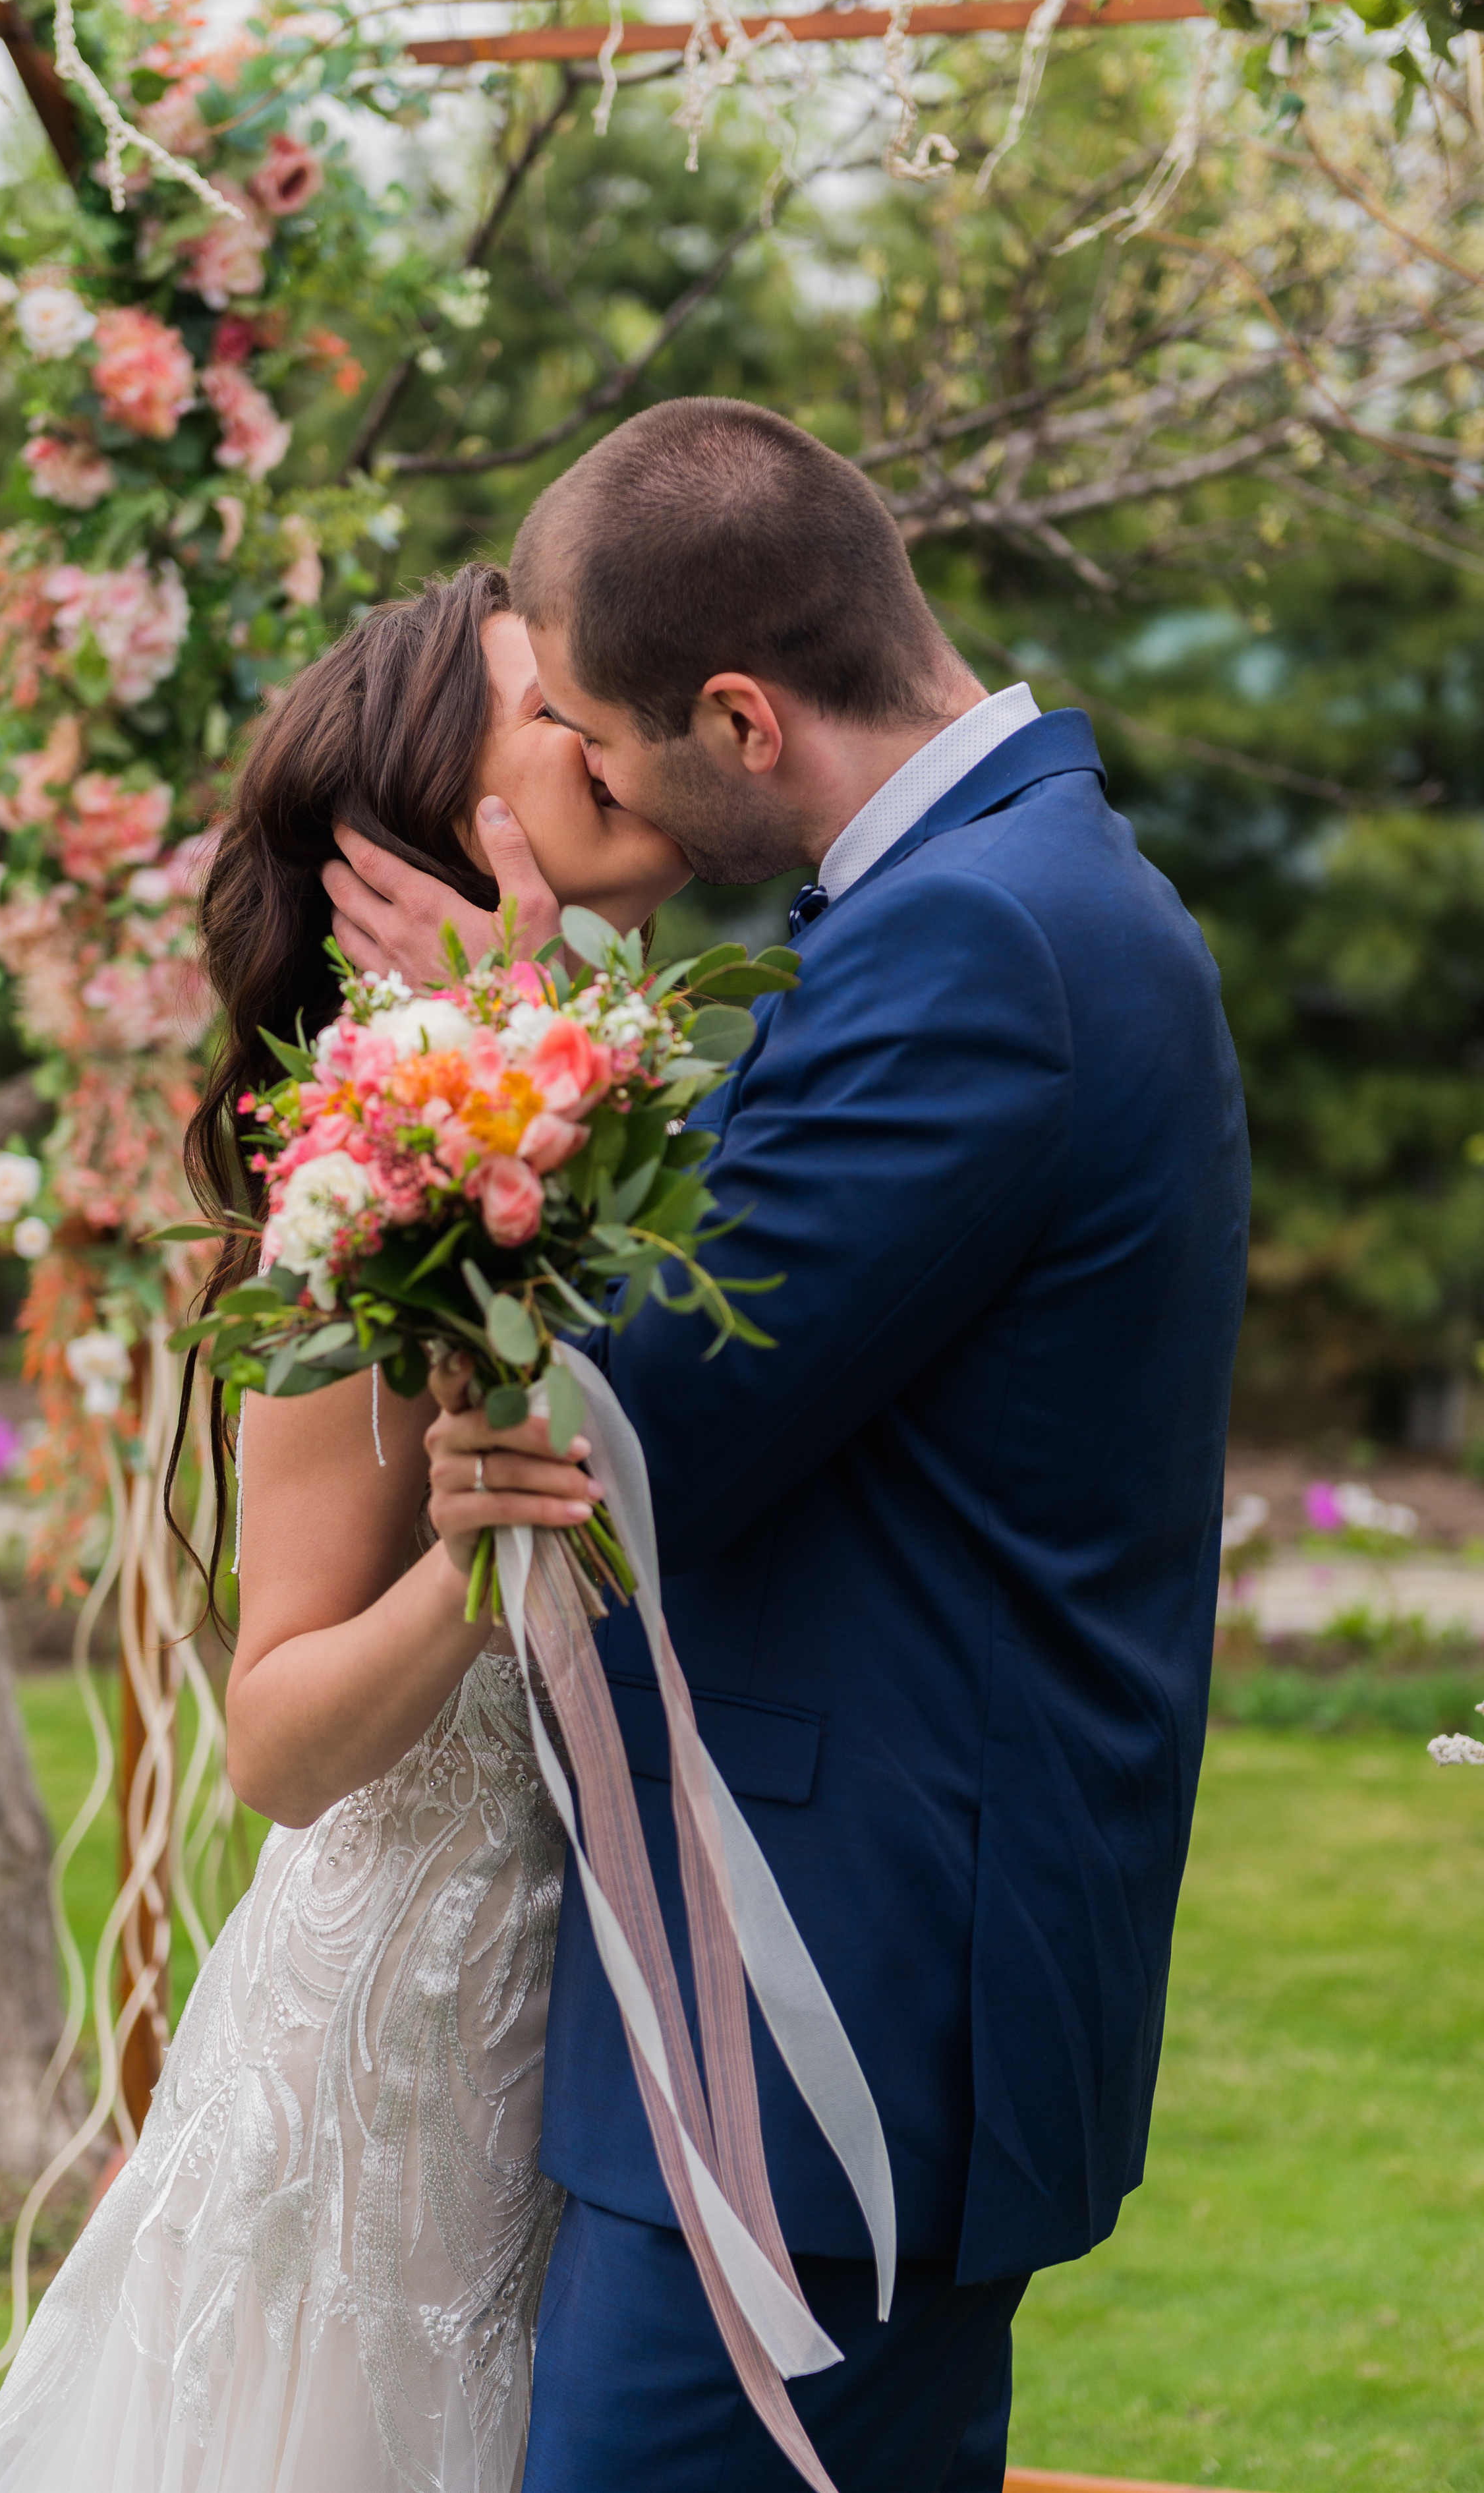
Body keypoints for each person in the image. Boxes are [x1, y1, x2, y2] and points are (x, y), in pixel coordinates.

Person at [322, 398, 1252, 2493]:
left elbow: (621, 1433)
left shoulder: (973, 938)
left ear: (739, 715)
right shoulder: (1017, 890)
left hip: (825, 2020)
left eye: (593, 736)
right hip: (859, 1980)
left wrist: (487, 1056)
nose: (583, 786)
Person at [0, 566, 691, 2493]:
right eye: (554, 710)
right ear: (443, 825)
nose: (609, 727)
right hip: (408, 2054)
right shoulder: (366, 1204)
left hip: (599, 2030)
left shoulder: (630, 1114)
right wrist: (472, 1563)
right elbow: (275, 1741)